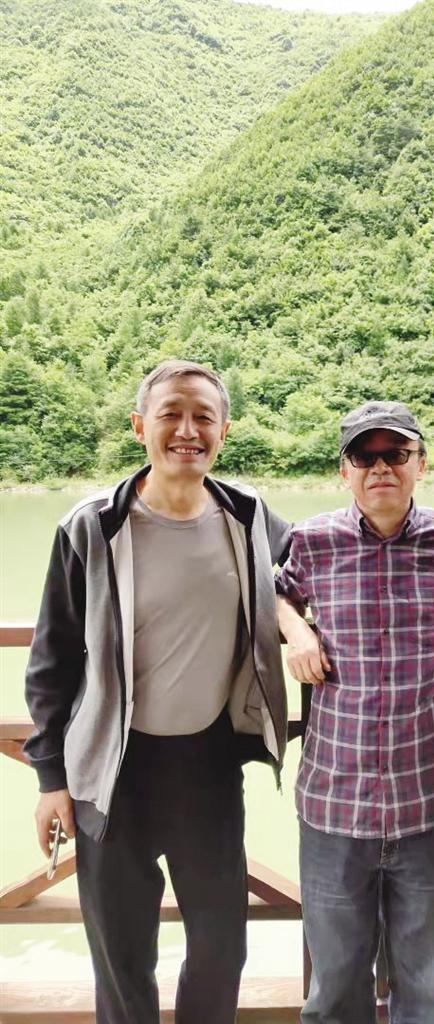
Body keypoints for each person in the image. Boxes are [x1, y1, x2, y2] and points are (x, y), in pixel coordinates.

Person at [24, 360, 291, 1024]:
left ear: (224, 432)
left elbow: (320, 571)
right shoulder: (91, 526)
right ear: (139, 426)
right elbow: (51, 659)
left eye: (204, 417)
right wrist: (51, 779)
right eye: (171, 413)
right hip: (113, 770)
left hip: (209, 763)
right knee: (122, 958)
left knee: (221, 948)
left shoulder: (250, 516)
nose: (187, 430)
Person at [275, 400, 434, 1024]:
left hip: (428, 797)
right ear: (345, 471)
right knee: (336, 988)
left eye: (396, 454)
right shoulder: (313, 541)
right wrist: (298, 632)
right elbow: (274, 595)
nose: (381, 468)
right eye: (364, 457)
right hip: (335, 801)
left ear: (421, 464)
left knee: (427, 985)